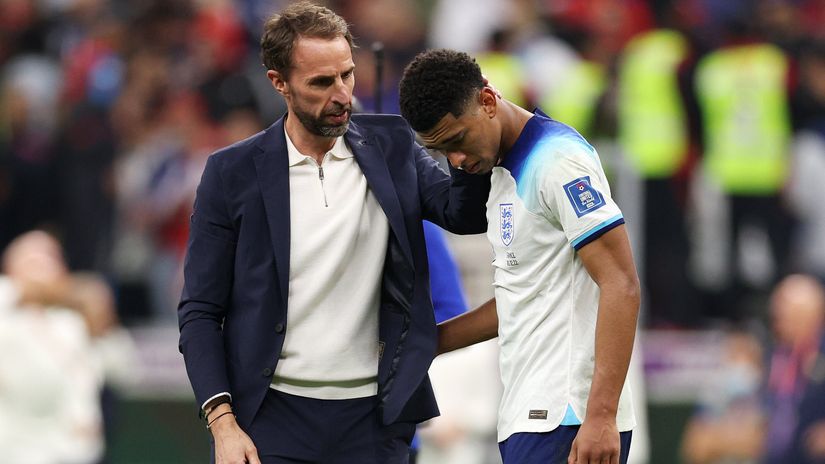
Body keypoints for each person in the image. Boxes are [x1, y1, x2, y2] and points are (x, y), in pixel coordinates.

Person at [176, 3, 490, 464]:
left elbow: (462, 214)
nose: (342, 94)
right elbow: (201, 309)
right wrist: (223, 424)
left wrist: (471, 139)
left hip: (374, 423)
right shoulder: (231, 172)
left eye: (347, 75)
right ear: (278, 83)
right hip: (269, 421)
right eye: (322, 82)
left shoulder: (393, 145)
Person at [399, 49, 640, 464]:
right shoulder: (499, 172)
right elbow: (524, 295)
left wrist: (600, 415)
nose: (456, 161)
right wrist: (427, 342)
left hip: (569, 416)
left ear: (488, 101)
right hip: (530, 413)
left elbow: (621, 282)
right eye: (441, 152)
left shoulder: (557, 161)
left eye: (458, 140)